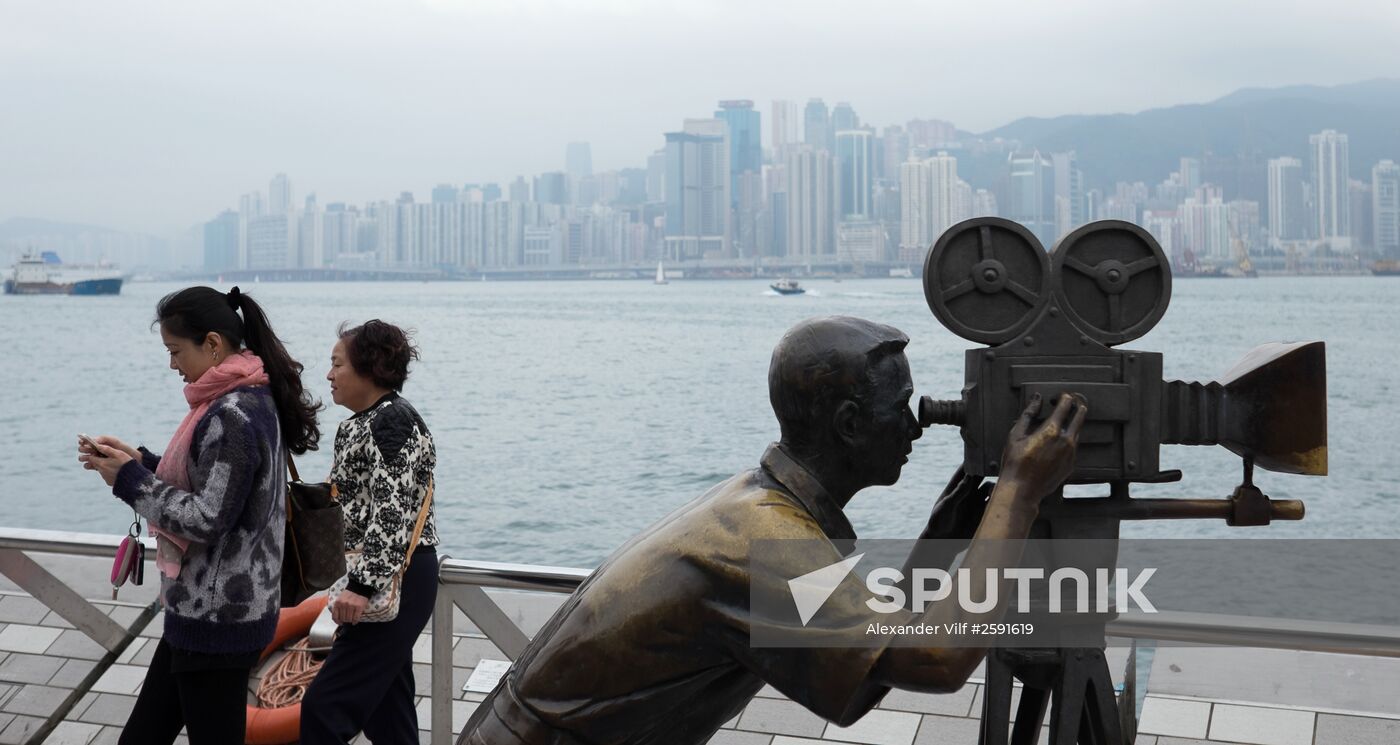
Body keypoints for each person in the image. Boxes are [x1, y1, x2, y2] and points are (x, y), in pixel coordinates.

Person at [459, 315, 1086, 745]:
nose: (916, 426)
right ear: (847, 424)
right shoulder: (764, 539)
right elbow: (937, 661)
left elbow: (866, 673)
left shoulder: (763, 505)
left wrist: (940, 545)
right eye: (899, 409)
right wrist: (1019, 493)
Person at [78, 286, 320, 745]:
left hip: (216, 617)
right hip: (215, 612)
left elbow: (208, 517)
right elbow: (217, 488)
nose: (172, 364)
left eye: (175, 351)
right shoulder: (252, 396)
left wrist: (128, 480)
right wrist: (141, 463)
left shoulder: (231, 412)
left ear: (212, 343)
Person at [301, 319, 440, 744]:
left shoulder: (392, 421)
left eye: (337, 364)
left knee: (325, 709)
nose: (328, 375)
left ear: (370, 368)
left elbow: (393, 512)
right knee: (388, 714)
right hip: (385, 575)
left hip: (394, 578)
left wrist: (360, 587)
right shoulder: (363, 421)